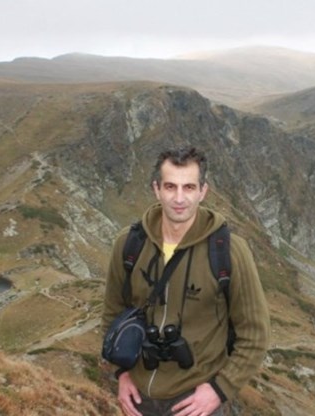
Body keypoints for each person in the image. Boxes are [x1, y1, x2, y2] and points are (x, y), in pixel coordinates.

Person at [102, 146, 270, 416]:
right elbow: (113, 313)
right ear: (156, 189)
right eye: (170, 187)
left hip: (196, 402)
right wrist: (121, 373)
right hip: (138, 400)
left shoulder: (229, 251)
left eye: (189, 187)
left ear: (203, 191)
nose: (179, 198)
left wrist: (219, 390)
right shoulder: (129, 244)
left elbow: (255, 333)